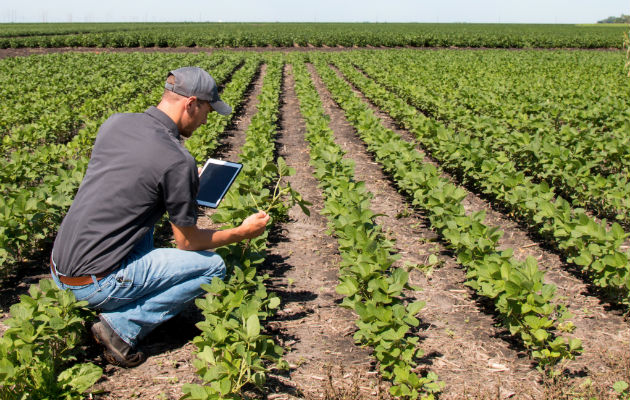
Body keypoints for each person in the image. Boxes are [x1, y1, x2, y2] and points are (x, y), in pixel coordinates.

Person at [50, 66, 270, 368]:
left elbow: (132, 178)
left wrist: (181, 183)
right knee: (212, 267)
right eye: (207, 110)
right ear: (191, 103)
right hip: (93, 283)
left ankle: (127, 299)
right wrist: (242, 232)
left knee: (144, 220)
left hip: (60, 267)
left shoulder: (116, 123)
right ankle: (121, 328)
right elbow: (187, 243)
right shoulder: (176, 160)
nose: (207, 119)